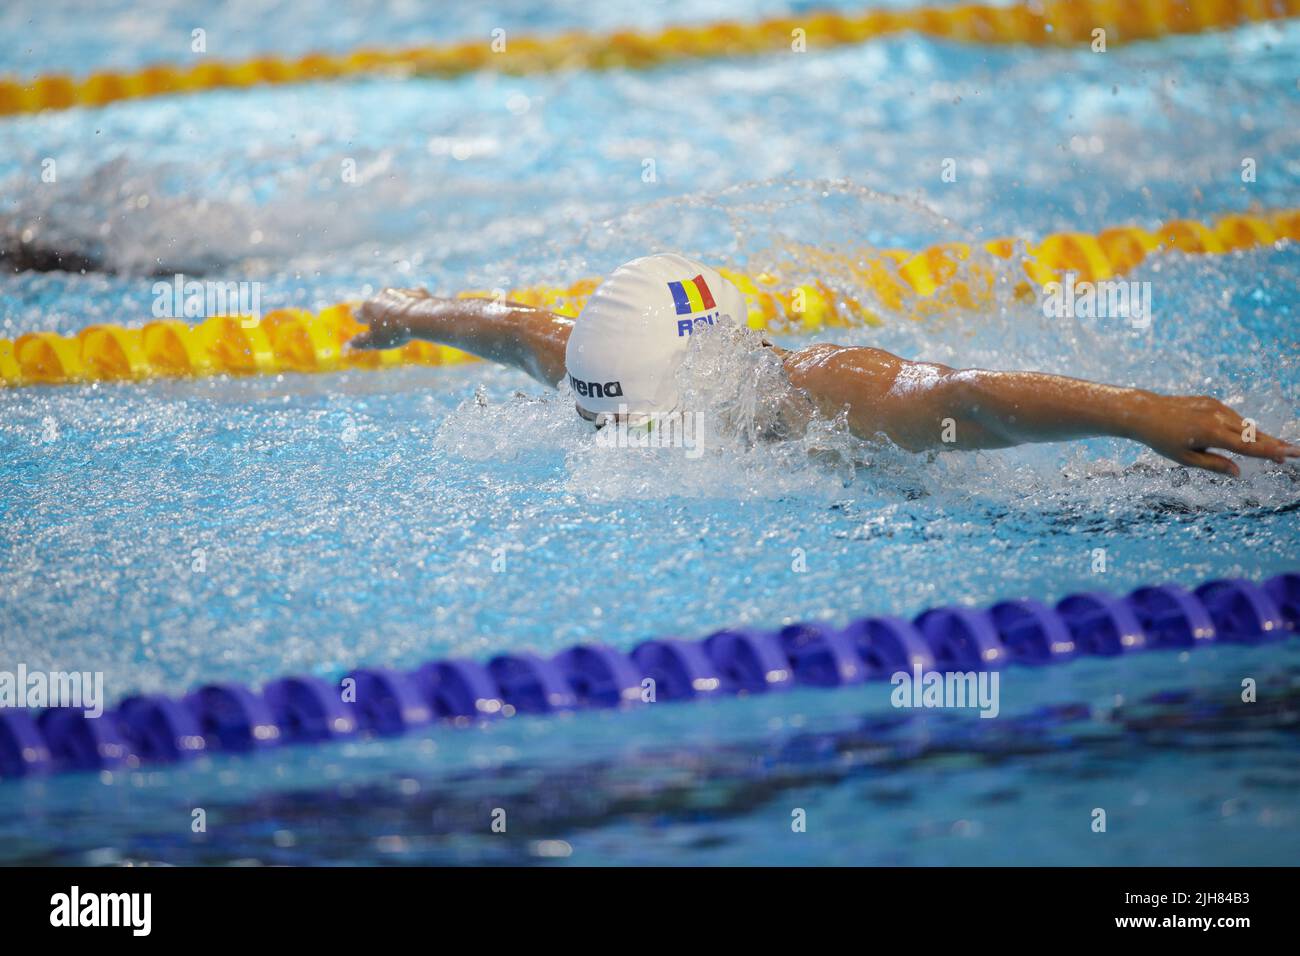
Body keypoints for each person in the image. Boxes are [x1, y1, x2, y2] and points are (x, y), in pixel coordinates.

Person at [348, 253, 1297, 475]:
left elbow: (966, 398)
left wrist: (1137, 412)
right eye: (608, 424)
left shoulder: (816, 395)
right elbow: (513, 330)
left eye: (634, 424)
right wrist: (400, 313)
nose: (620, 442)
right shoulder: (603, 364)